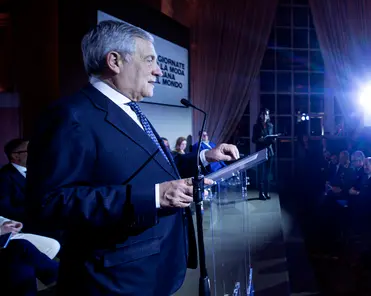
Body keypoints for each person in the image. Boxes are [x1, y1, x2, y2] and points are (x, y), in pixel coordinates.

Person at [26, 20, 239, 295]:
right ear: (114, 61)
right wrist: (152, 197)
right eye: (150, 59)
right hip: (114, 280)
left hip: (155, 266)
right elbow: (49, 204)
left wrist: (204, 157)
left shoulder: (130, 109)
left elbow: (154, 168)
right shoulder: (70, 116)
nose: (159, 71)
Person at [252, 108, 275, 200]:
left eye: (267, 114)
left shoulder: (270, 125)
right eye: (264, 114)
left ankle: (267, 191)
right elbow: (253, 139)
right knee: (261, 173)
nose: (265, 116)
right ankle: (261, 193)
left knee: (268, 174)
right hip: (261, 151)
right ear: (260, 115)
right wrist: (259, 140)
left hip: (269, 151)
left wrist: (273, 139)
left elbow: (271, 138)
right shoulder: (256, 126)